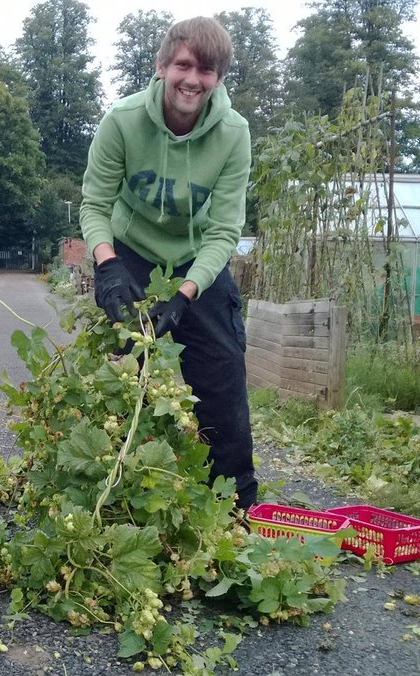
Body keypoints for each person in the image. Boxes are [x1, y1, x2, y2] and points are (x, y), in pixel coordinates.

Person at [79, 16, 256, 510]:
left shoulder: (234, 134)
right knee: (118, 369)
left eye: (207, 70)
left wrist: (186, 292)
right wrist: (107, 265)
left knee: (222, 372)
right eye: (183, 65)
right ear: (161, 67)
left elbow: (224, 231)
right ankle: (108, 488)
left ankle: (237, 502)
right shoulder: (123, 121)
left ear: (218, 78)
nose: (192, 80)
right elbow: (94, 206)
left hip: (198, 259)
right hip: (131, 251)